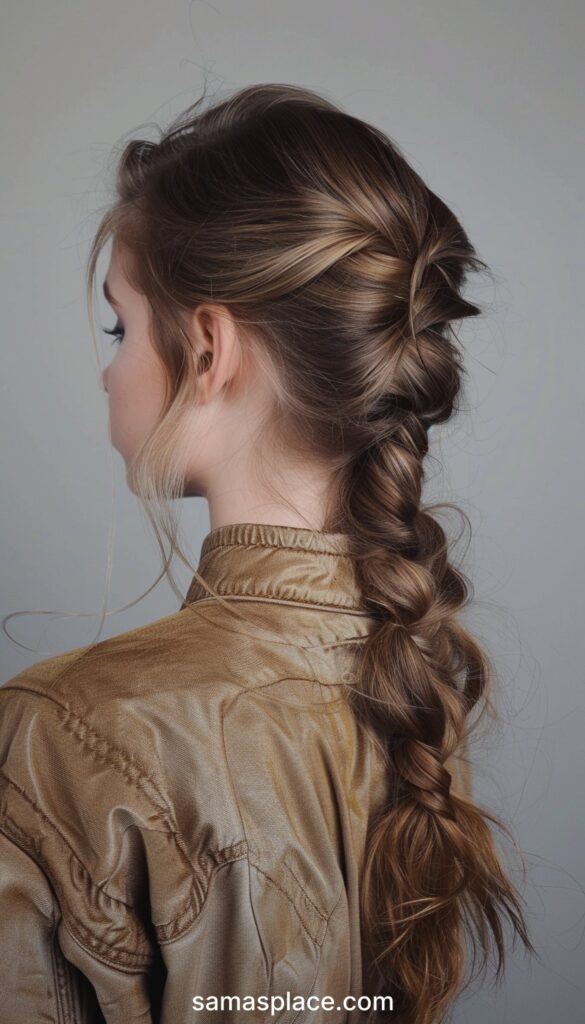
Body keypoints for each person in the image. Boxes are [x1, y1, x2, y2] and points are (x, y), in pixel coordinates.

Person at [0, 83, 534, 1024]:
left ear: (208, 349)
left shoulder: (57, 735)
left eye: (121, 325)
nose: (107, 368)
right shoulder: (402, 675)